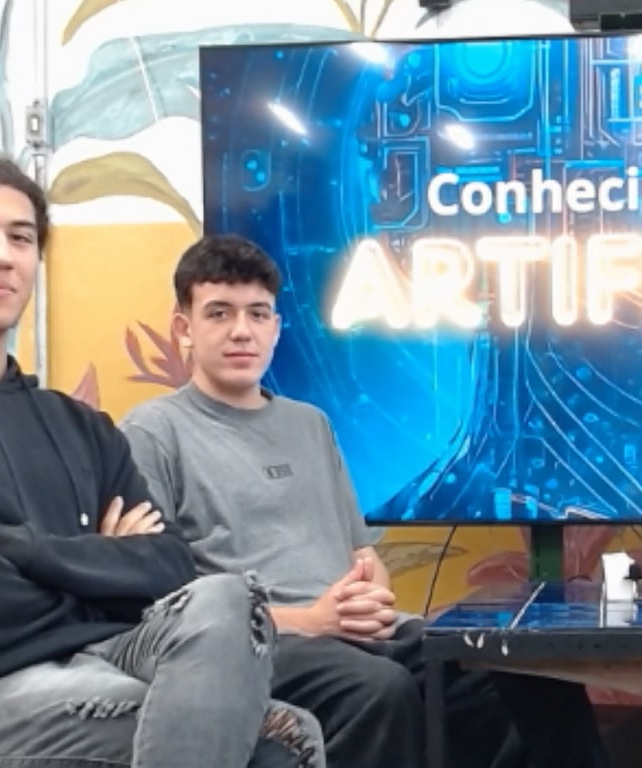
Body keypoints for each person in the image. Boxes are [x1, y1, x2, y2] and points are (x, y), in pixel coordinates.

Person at [0, 148, 324, 768]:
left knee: (230, 598)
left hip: (106, 655)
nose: (0, 254)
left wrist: (4, 549)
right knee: (281, 741)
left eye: (21, 237)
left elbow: (167, 568)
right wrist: (99, 569)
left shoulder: (79, 425)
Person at [119, 233, 610, 768]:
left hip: (357, 632)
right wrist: (313, 619)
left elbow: (363, 555)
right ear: (184, 328)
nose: (242, 331)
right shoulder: (153, 431)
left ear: (276, 327)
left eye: (257, 314)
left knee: (525, 666)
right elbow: (161, 607)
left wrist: (370, 601)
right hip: (262, 644)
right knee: (383, 688)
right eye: (219, 313)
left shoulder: (310, 424)